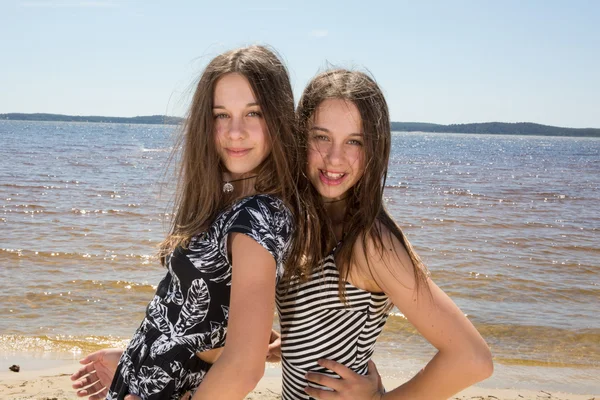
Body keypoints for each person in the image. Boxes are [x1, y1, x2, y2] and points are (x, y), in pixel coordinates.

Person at [72, 44, 320, 400]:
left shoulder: (257, 216)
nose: (235, 131)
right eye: (221, 115)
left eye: (253, 113)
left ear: (278, 118)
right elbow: (199, 321)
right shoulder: (228, 198)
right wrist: (134, 359)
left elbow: (245, 365)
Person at [276, 68, 493, 400]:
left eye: (355, 142)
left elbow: (473, 360)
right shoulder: (309, 222)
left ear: (374, 149)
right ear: (300, 137)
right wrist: (294, 342)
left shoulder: (369, 243)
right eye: (322, 137)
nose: (335, 157)